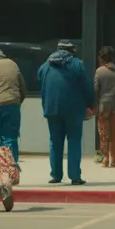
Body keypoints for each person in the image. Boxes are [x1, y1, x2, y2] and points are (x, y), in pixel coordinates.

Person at [38, 40, 95, 185]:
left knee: (55, 142)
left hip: (51, 109)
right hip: (74, 110)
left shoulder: (45, 66)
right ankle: (75, 177)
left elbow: (40, 80)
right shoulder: (77, 64)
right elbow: (87, 87)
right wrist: (91, 105)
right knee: (74, 141)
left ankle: (56, 176)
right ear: (71, 50)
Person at [94, 46, 115, 168]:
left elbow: (96, 89)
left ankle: (106, 158)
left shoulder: (99, 71)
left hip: (104, 106)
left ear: (101, 58)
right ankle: (113, 159)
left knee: (104, 133)